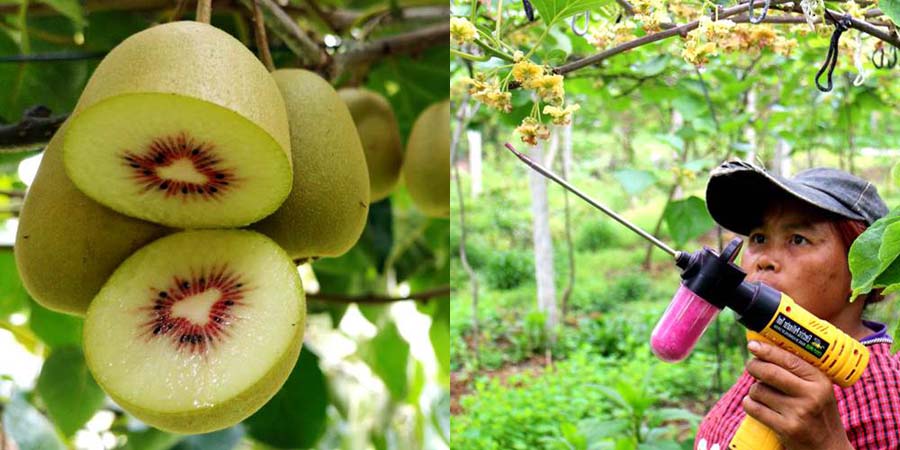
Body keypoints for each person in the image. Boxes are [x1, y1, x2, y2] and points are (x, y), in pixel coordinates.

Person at [695, 160, 900, 450]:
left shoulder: (884, 388)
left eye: (798, 239)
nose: (764, 259)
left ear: (863, 268)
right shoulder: (782, 354)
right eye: (759, 238)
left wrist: (828, 444)